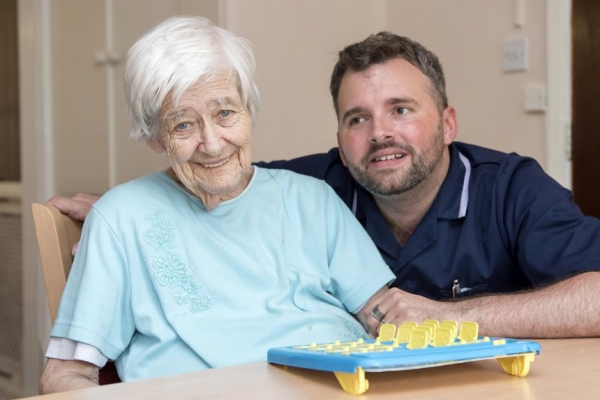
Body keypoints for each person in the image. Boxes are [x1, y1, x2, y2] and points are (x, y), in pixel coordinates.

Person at [51, 32, 600, 341]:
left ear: (449, 124)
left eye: (401, 110)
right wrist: (124, 212)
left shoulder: (511, 188)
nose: (379, 133)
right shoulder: (316, 186)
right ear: (339, 137)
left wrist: (455, 316)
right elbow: (218, 174)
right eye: (356, 118)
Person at [39, 16, 396, 393]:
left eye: (225, 113)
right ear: (155, 136)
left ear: (248, 110)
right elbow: (68, 374)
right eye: (183, 125)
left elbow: (384, 317)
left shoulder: (313, 199)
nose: (212, 143)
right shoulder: (120, 218)